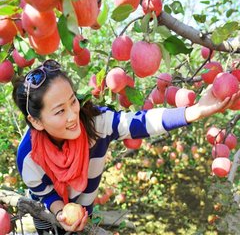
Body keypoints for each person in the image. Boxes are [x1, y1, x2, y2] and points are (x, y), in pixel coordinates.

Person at [12, 59, 239, 234]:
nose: (73, 115)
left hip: (85, 211)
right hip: (47, 213)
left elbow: (141, 122)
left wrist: (194, 111)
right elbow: (47, 195)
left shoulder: (95, 122)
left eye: (73, 101)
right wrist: (61, 214)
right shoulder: (28, 156)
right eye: (60, 111)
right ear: (36, 121)